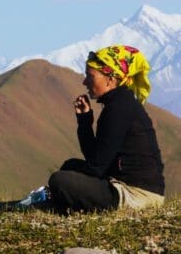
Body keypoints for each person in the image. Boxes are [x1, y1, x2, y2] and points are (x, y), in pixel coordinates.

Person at [45, 45, 165, 213]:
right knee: (70, 166)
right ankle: (58, 204)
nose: (85, 82)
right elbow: (96, 160)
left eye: (90, 76)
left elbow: (96, 168)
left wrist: (85, 123)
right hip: (134, 187)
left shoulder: (118, 108)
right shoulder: (120, 103)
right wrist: (84, 121)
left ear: (110, 78)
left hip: (135, 195)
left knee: (59, 180)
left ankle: (51, 204)